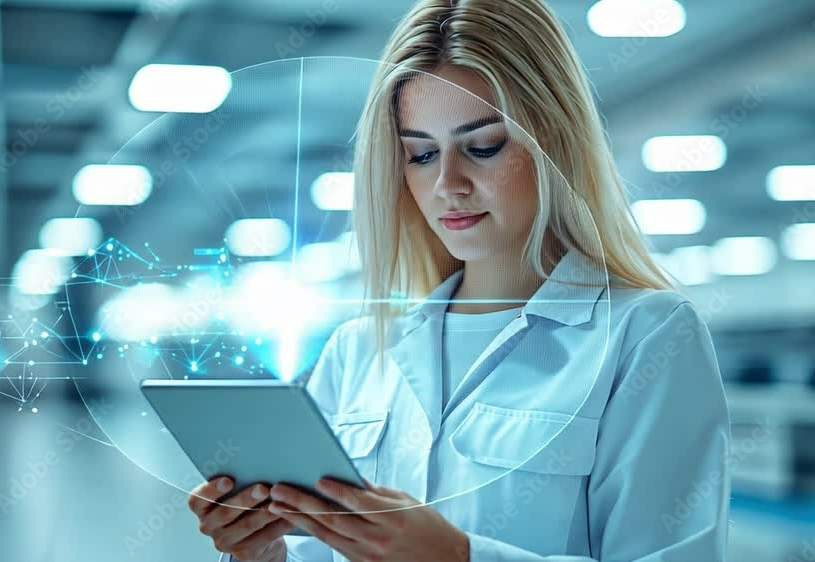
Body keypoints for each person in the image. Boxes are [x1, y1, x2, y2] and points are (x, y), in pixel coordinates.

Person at [189, 0, 731, 560]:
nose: (449, 183)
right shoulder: (359, 352)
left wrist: (459, 556)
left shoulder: (646, 337)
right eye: (421, 154)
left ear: (555, 142)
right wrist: (263, 552)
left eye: (483, 146)